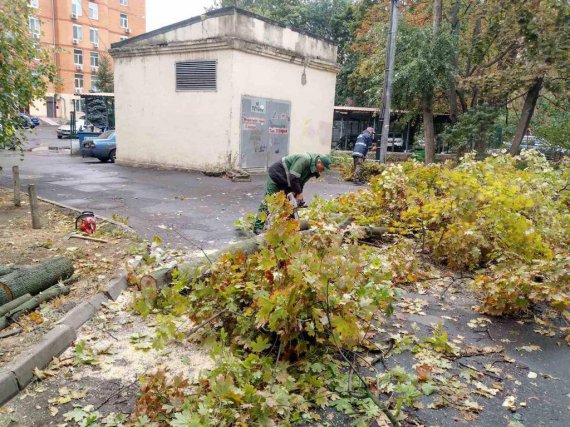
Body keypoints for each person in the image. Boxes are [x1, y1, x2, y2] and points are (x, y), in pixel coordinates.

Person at [254, 152, 331, 233]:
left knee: (290, 204)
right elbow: (294, 176)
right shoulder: (304, 159)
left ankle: (290, 226)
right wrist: (299, 192)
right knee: (269, 202)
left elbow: (301, 182)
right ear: (319, 162)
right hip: (277, 175)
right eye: (322, 168)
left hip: (288, 181)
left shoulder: (312, 170)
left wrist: (298, 194)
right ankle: (258, 227)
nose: (322, 171)